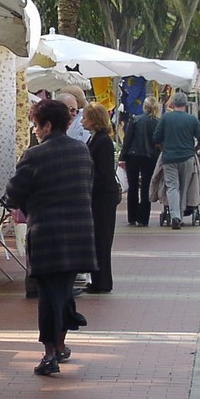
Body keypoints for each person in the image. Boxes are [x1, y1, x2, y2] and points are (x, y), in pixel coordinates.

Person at [4, 99, 97, 375]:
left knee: (49, 296)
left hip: (48, 237)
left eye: (36, 124)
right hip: (78, 234)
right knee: (64, 292)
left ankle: (49, 354)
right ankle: (60, 344)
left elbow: (13, 193)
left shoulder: (35, 155)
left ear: (46, 125)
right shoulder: (82, 151)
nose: (34, 130)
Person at [152, 92, 200, 230]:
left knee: (172, 186)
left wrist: (163, 148)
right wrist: (194, 149)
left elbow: (156, 138)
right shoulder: (192, 120)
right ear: (185, 104)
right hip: (187, 157)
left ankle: (174, 214)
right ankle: (180, 215)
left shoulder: (165, 118)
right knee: (184, 186)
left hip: (169, 158)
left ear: (173, 104)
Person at [81, 102, 120, 293]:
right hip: (101, 195)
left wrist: (89, 190)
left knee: (102, 239)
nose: (82, 121)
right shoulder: (96, 138)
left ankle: (102, 281)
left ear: (94, 120)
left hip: (103, 197)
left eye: (85, 118)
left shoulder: (102, 141)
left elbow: (102, 173)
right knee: (98, 239)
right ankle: (98, 279)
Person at [118, 96, 160, 226]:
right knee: (147, 186)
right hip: (150, 156)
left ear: (144, 106)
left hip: (133, 155)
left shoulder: (135, 120)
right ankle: (143, 218)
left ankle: (132, 217)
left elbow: (128, 139)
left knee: (133, 186)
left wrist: (122, 156)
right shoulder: (157, 122)